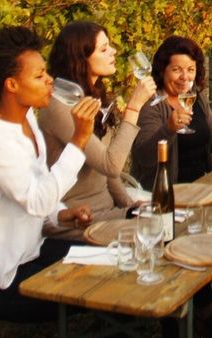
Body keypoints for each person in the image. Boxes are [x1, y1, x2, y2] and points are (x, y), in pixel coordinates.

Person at [0, 26, 99, 321]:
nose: (49, 81)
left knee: (110, 264)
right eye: (39, 76)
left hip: (31, 253)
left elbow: (35, 187)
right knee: (94, 289)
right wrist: (79, 140)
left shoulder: (29, 119)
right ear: (11, 85)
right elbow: (35, 200)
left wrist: (61, 214)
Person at [38, 21, 156, 239]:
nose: (113, 52)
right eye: (103, 49)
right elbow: (111, 165)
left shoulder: (91, 97)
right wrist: (134, 107)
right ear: (80, 60)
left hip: (109, 211)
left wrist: (129, 205)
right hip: (79, 221)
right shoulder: (60, 107)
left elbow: (104, 171)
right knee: (160, 234)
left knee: (172, 217)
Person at [131, 35, 212, 186]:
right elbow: (144, 157)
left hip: (204, 187)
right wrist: (169, 129)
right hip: (169, 195)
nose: (184, 77)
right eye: (176, 70)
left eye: (190, 69)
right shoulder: (152, 105)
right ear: (162, 71)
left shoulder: (195, 97)